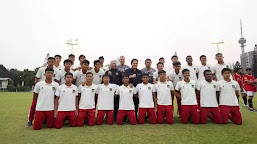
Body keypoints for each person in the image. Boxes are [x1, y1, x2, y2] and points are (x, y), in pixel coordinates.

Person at [25, 57, 56, 128]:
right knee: (34, 105)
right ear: (47, 62)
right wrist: (37, 89)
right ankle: (30, 120)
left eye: (52, 62)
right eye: (49, 61)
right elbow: (37, 79)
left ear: (54, 63)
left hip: (50, 90)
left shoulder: (56, 70)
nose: (51, 63)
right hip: (41, 89)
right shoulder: (41, 69)